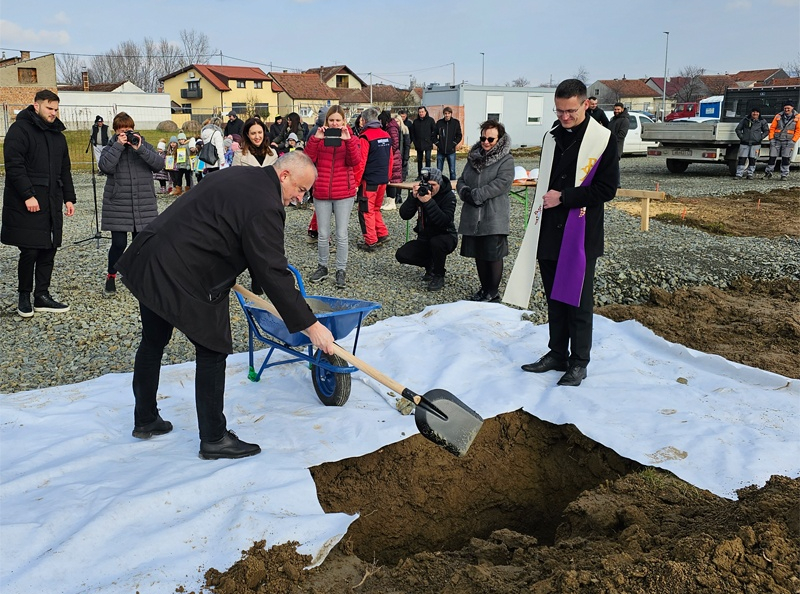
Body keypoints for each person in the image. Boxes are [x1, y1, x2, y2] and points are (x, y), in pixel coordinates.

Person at [115, 152, 336, 460]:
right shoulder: (265, 204)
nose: (299, 199)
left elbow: (220, 226)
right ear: (284, 175)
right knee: (213, 350)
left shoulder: (239, 175)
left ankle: (145, 418)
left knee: (153, 341)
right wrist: (311, 326)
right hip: (183, 272)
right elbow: (273, 271)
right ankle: (214, 438)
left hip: (151, 257)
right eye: (299, 189)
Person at [519, 79, 618, 387]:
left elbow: (606, 189)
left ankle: (579, 361)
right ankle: (557, 352)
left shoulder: (603, 139)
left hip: (581, 232)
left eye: (570, 111)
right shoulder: (551, 136)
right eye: (559, 111)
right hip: (550, 230)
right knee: (554, 297)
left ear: (586, 104)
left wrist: (563, 197)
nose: (564, 117)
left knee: (577, 299)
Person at [2, 89, 76, 318]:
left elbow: (65, 169)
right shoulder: (19, 130)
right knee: (30, 250)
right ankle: (24, 295)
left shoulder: (58, 136)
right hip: (29, 200)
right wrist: (27, 195)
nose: (53, 113)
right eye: (49, 108)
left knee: (49, 248)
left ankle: (42, 295)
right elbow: (14, 165)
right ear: (36, 106)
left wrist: (69, 197)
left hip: (52, 199)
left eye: (56, 109)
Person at [97, 112, 165, 295]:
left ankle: (137, 278)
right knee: (118, 243)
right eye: (121, 131)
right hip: (118, 204)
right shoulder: (110, 148)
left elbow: (159, 165)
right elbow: (105, 167)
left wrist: (140, 148)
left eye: (128, 130)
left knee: (140, 245)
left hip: (143, 203)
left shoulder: (144, 145)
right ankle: (111, 275)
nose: (126, 134)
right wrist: (119, 146)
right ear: (115, 132)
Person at [304, 105, 362, 289]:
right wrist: (315, 140)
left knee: (342, 234)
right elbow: (307, 160)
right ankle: (322, 266)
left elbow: (355, 161)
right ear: (326, 122)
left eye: (338, 120)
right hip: (322, 192)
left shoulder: (350, 138)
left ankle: (341, 270)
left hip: (344, 193)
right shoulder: (319, 139)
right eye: (332, 120)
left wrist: (349, 140)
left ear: (344, 121)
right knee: (322, 234)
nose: (335, 123)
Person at [457, 119, 514, 303]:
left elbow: (502, 183)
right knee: (479, 253)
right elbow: (462, 179)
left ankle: (493, 291)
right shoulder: (473, 157)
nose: (486, 142)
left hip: (493, 214)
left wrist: (478, 194)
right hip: (473, 215)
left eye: (491, 139)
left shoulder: (506, 159)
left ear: (499, 139)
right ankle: (484, 289)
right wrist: (464, 192)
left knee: (493, 254)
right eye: (483, 138)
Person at [395, 167, 457, 292]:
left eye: (433, 185)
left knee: (437, 243)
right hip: (424, 238)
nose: (430, 188)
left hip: (445, 236)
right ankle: (431, 265)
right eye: (427, 184)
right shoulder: (420, 193)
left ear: (439, 183)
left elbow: (444, 221)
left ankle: (439, 274)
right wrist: (412, 198)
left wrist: (428, 202)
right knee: (402, 254)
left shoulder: (448, 196)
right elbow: (404, 215)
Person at [353, 107, 392, 252]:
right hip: (382, 180)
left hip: (369, 181)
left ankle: (370, 241)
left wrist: (356, 183)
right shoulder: (386, 135)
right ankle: (382, 233)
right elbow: (390, 159)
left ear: (363, 120)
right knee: (375, 208)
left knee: (365, 210)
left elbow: (360, 163)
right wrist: (387, 177)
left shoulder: (365, 137)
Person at [763, 100, 799, 181]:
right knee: (772, 158)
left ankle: (784, 175)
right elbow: (772, 128)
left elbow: (798, 130)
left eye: (788, 108)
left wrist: (793, 141)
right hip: (776, 140)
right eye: (785, 108)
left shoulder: (798, 117)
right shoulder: (778, 116)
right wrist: (771, 139)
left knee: (786, 158)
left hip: (788, 141)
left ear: (792, 108)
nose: (786, 110)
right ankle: (768, 173)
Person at [734, 107, 769, 180]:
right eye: (753, 112)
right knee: (742, 159)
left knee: (753, 159)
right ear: (751, 112)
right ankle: (739, 174)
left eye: (757, 112)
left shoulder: (762, 121)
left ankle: (750, 174)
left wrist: (760, 137)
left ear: (759, 113)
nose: (755, 113)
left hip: (756, 144)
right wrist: (742, 137)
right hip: (744, 143)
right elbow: (738, 129)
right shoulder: (745, 120)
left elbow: (766, 131)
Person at [378, 110, 402, 211]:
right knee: (388, 179)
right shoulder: (390, 127)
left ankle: (392, 201)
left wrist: (387, 152)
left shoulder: (391, 128)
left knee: (392, 179)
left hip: (393, 157)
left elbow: (395, 144)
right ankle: (389, 201)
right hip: (391, 155)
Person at [435, 107, 463, 180]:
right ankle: (439, 187)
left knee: (452, 171)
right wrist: (438, 143)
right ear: (443, 114)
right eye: (445, 113)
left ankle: (453, 188)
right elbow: (433, 135)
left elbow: (459, 135)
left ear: (451, 114)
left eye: (448, 113)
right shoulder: (439, 123)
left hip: (451, 151)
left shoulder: (455, 123)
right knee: (439, 171)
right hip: (440, 151)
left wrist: (454, 144)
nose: (447, 115)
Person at [608, 102, 630, 187]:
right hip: (609, 146)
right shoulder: (613, 119)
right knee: (608, 165)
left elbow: (622, 135)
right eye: (615, 109)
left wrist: (610, 139)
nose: (616, 111)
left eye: (618, 109)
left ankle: (617, 184)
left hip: (617, 147)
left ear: (622, 109)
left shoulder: (625, 120)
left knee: (615, 166)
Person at [412, 106, 437, 179]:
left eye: (422, 112)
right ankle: (420, 175)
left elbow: (434, 131)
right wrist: (414, 141)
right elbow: (413, 133)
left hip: (428, 143)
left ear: (425, 112)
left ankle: (427, 175)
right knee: (419, 160)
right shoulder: (416, 122)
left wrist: (431, 140)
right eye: (420, 112)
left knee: (428, 159)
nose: (421, 113)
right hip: (418, 143)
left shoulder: (430, 120)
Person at [397, 109, 412, 181]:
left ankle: (405, 173)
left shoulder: (408, 125)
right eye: (401, 116)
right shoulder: (394, 128)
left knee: (405, 162)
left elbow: (411, 134)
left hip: (405, 144)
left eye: (404, 116)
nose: (403, 118)